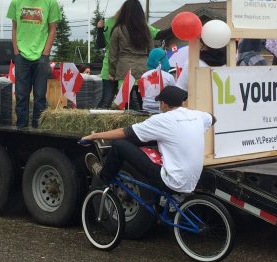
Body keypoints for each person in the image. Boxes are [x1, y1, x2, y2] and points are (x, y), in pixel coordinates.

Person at [82, 85, 212, 199]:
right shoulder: (197, 115)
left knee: (118, 144)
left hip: (172, 182)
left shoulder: (162, 119)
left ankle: (103, 176)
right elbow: (213, 118)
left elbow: (125, 132)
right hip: (193, 180)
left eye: (160, 103)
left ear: (164, 104)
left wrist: (95, 136)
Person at [7, 0, 60, 129]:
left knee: (39, 96)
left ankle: (38, 129)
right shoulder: (16, 1)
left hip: (41, 56)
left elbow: (53, 29)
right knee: (22, 95)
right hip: (22, 55)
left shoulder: (50, 1)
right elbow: (14, 28)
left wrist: (45, 53)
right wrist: (16, 51)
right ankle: (21, 128)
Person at [108, 0, 154, 109]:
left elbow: (113, 53)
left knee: (124, 102)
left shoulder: (118, 29)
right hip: (143, 68)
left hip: (125, 68)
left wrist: (112, 72)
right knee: (143, 99)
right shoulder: (146, 30)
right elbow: (151, 51)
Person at [140, 47, 177, 114]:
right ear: (162, 60)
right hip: (162, 110)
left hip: (146, 109)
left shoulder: (144, 76)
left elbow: (141, 93)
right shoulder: (169, 77)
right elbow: (174, 94)